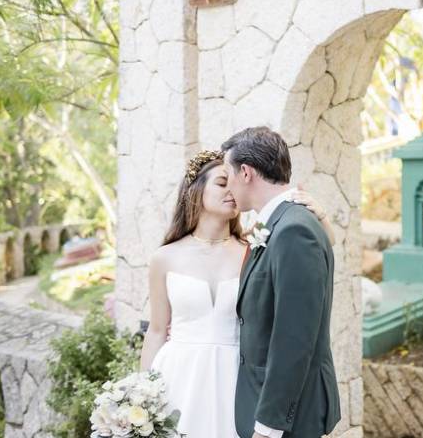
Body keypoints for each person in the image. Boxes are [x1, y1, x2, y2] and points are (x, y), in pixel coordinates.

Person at [139, 148, 334, 437]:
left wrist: (322, 218)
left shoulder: (255, 249)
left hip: (237, 377)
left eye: (232, 181)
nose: (230, 189)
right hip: (178, 378)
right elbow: (156, 331)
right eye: (221, 183)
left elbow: (310, 261)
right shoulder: (164, 258)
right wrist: (141, 396)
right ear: (196, 191)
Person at [222, 126, 341, 438]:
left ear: (245, 172)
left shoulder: (293, 230)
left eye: (228, 175)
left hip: (290, 417)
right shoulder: (281, 223)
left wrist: (268, 427)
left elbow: (294, 338)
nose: (228, 187)